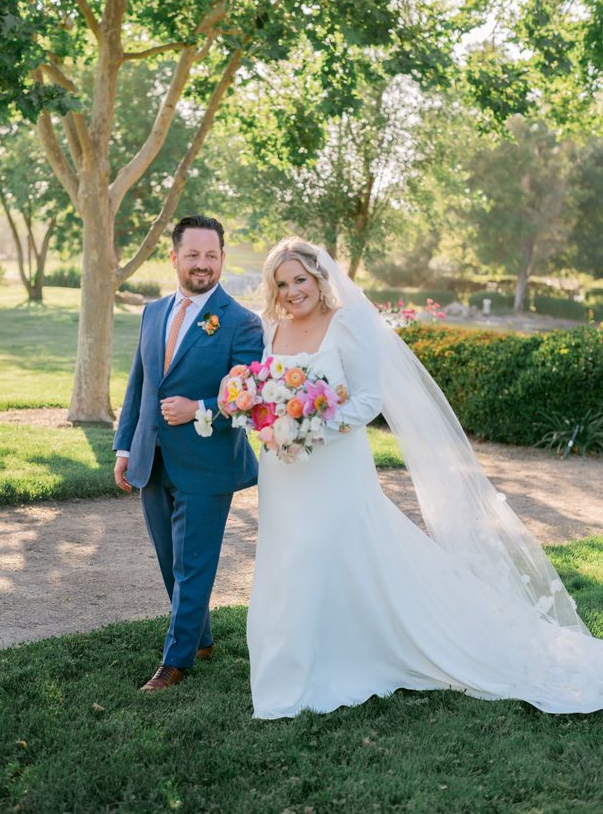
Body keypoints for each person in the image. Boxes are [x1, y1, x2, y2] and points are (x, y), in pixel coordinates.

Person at [242, 237, 603, 720]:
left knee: (328, 552)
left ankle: (343, 657)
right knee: (286, 558)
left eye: (299, 280)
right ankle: (286, 664)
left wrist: (308, 427)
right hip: (283, 470)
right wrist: (265, 420)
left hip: (332, 465)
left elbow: (367, 401)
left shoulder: (345, 323)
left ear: (319, 278)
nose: (291, 292)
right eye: (282, 284)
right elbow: (266, 391)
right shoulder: (273, 329)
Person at [114, 215, 263, 692]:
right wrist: (124, 446)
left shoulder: (241, 322)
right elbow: (140, 385)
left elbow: (249, 394)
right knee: (168, 559)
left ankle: (174, 663)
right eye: (194, 254)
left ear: (222, 259)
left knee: (192, 563)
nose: (203, 264)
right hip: (151, 456)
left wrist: (199, 407)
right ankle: (200, 639)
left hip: (207, 463)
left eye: (212, 255)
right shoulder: (153, 312)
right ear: (174, 257)